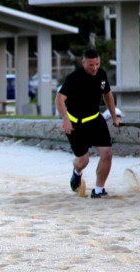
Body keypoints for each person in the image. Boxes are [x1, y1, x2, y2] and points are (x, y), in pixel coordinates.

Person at [56, 49, 120, 198]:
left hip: (95, 120)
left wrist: (114, 116)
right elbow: (59, 98)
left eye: (97, 64)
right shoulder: (74, 78)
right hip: (75, 124)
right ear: (83, 63)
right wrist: (66, 119)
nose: (94, 68)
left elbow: (108, 95)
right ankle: (77, 172)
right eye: (91, 65)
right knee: (83, 161)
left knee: (107, 154)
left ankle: (98, 190)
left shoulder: (101, 75)